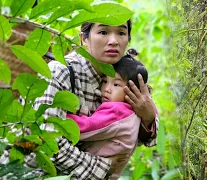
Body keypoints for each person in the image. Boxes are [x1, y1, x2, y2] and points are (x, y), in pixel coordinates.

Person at [0, 20, 158, 179]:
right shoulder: (61, 71)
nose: (113, 41)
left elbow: (133, 132)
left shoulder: (122, 75)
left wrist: (148, 117)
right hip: (26, 172)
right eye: (103, 32)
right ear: (84, 38)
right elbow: (46, 138)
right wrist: (102, 168)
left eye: (121, 33)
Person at [67, 54, 150, 179]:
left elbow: (87, 127)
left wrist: (63, 118)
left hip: (97, 171)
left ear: (133, 91)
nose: (107, 89)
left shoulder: (117, 111)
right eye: (105, 81)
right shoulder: (132, 111)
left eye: (116, 85)